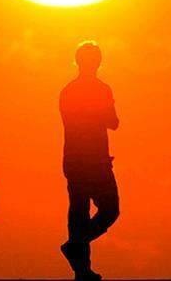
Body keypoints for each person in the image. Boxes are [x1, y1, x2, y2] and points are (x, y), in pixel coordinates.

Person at [59, 41, 120, 281]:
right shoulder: (101, 90)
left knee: (79, 211)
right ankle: (79, 260)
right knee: (105, 209)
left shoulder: (68, 91)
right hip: (93, 160)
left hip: (76, 158)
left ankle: (78, 257)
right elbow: (113, 122)